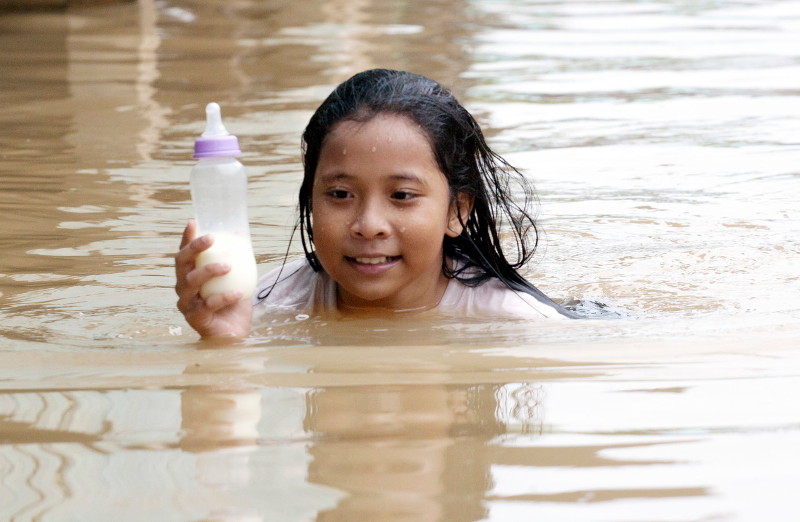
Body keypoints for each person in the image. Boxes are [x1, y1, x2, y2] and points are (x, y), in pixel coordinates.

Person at [175, 69, 576, 338]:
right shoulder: (270, 305)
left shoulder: (516, 323)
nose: (369, 225)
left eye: (402, 196)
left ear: (457, 211)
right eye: (340, 195)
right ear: (311, 201)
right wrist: (224, 342)